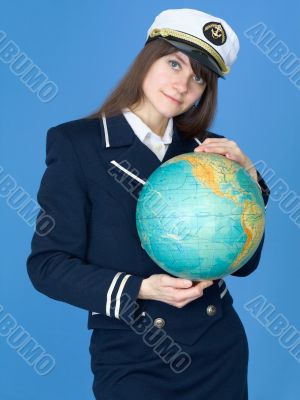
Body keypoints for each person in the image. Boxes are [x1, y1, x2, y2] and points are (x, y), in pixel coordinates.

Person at [26, 8, 270, 400]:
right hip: (131, 356)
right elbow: (47, 266)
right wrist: (140, 288)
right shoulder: (78, 145)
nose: (183, 85)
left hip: (216, 346)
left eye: (198, 78)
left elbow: (245, 265)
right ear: (147, 58)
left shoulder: (209, 154)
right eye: (174, 63)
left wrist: (252, 184)